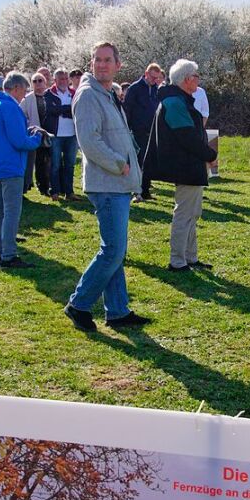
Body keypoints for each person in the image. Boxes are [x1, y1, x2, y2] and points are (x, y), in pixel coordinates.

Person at [64, 41, 148, 332]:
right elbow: (89, 142)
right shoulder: (88, 95)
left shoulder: (107, 94)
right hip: (108, 182)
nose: (102, 64)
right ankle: (79, 304)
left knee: (115, 250)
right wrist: (118, 163)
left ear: (118, 65)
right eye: (97, 59)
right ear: (91, 63)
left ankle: (117, 311)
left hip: (117, 182)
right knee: (112, 250)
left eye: (107, 60)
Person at [144, 59, 217, 272]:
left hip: (190, 165)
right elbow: (187, 137)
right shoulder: (174, 102)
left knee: (193, 213)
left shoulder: (178, 99)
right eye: (196, 76)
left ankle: (190, 257)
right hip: (185, 166)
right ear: (186, 79)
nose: (198, 80)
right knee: (185, 214)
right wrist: (210, 154)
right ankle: (177, 260)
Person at [0, 72, 46, 269]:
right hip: (11, 165)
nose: (24, 95)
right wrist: (37, 138)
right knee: (11, 211)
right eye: (24, 90)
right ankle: (8, 255)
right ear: (16, 88)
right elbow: (19, 141)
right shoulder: (10, 107)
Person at [123, 62, 162, 202]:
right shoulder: (135, 88)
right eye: (153, 77)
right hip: (138, 130)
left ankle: (145, 191)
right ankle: (136, 192)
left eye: (157, 78)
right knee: (138, 162)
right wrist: (128, 129)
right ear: (146, 74)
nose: (155, 80)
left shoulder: (156, 89)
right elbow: (127, 109)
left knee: (148, 162)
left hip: (152, 131)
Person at [20, 72, 55, 195]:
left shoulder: (51, 96)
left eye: (40, 81)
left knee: (51, 161)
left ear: (45, 83)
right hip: (34, 134)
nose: (38, 83)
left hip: (51, 134)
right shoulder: (27, 99)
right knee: (38, 161)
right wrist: (31, 126)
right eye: (34, 81)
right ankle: (41, 187)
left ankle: (51, 185)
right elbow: (21, 115)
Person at [48, 68, 79, 200]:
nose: (64, 81)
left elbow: (76, 110)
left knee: (70, 164)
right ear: (55, 80)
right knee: (55, 164)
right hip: (56, 135)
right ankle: (55, 191)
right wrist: (67, 110)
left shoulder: (74, 93)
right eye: (61, 78)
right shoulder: (49, 94)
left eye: (66, 78)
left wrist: (62, 110)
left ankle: (69, 192)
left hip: (71, 134)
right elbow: (51, 110)